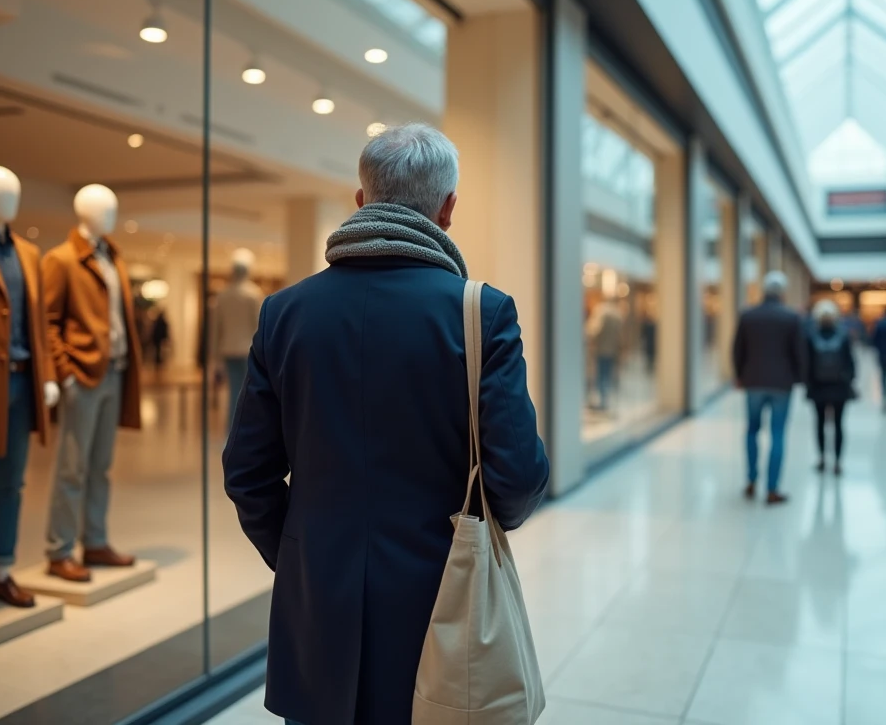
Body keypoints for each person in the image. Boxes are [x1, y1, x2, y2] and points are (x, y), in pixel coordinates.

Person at [222, 123, 550, 725]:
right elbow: (519, 475)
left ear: (360, 199)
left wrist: (300, 553)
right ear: (448, 207)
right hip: (440, 602)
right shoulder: (481, 311)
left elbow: (246, 472)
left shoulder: (285, 313)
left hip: (317, 602)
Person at [733, 270, 807, 505]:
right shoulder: (791, 317)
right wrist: (799, 378)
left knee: (752, 431)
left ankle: (751, 480)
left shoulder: (748, 315)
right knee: (777, 434)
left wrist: (739, 375)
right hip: (781, 384)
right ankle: (772, 488)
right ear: (783, 292)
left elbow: (737, 349)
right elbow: (799, 352)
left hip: (753, 382)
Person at [806, 300, 856, 475]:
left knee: (820, 423)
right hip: (839, 387)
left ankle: (821, 458)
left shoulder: (811, 336)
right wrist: (848, 380)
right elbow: (851, 363)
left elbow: (807, 364)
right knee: (838, 424)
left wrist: (808, 382)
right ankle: (837, 461)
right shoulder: (843, 336)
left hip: (818, 387)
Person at [586, 299, 622, 411]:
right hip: (612, 349)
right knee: (607, 374)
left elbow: (596, 330)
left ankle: (602, 401)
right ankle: (604, 399)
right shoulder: (617, 314)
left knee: (601, 375)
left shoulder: (602, 312)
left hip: (602, 349)